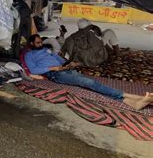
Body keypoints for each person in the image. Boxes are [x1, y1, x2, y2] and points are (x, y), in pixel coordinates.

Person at [25, 34, 153, 110]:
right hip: (55, 74)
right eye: (38, 42)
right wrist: (52, 69)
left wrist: (69, 63)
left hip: (64, 69)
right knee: (90, 82)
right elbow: (33, 70)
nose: (41, 43)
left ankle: (132, 102)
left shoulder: (48, 50)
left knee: (91, 84)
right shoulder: (29, 55)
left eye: (41, 41)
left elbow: (60, 59)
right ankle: (135, 97)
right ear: (31, 43)